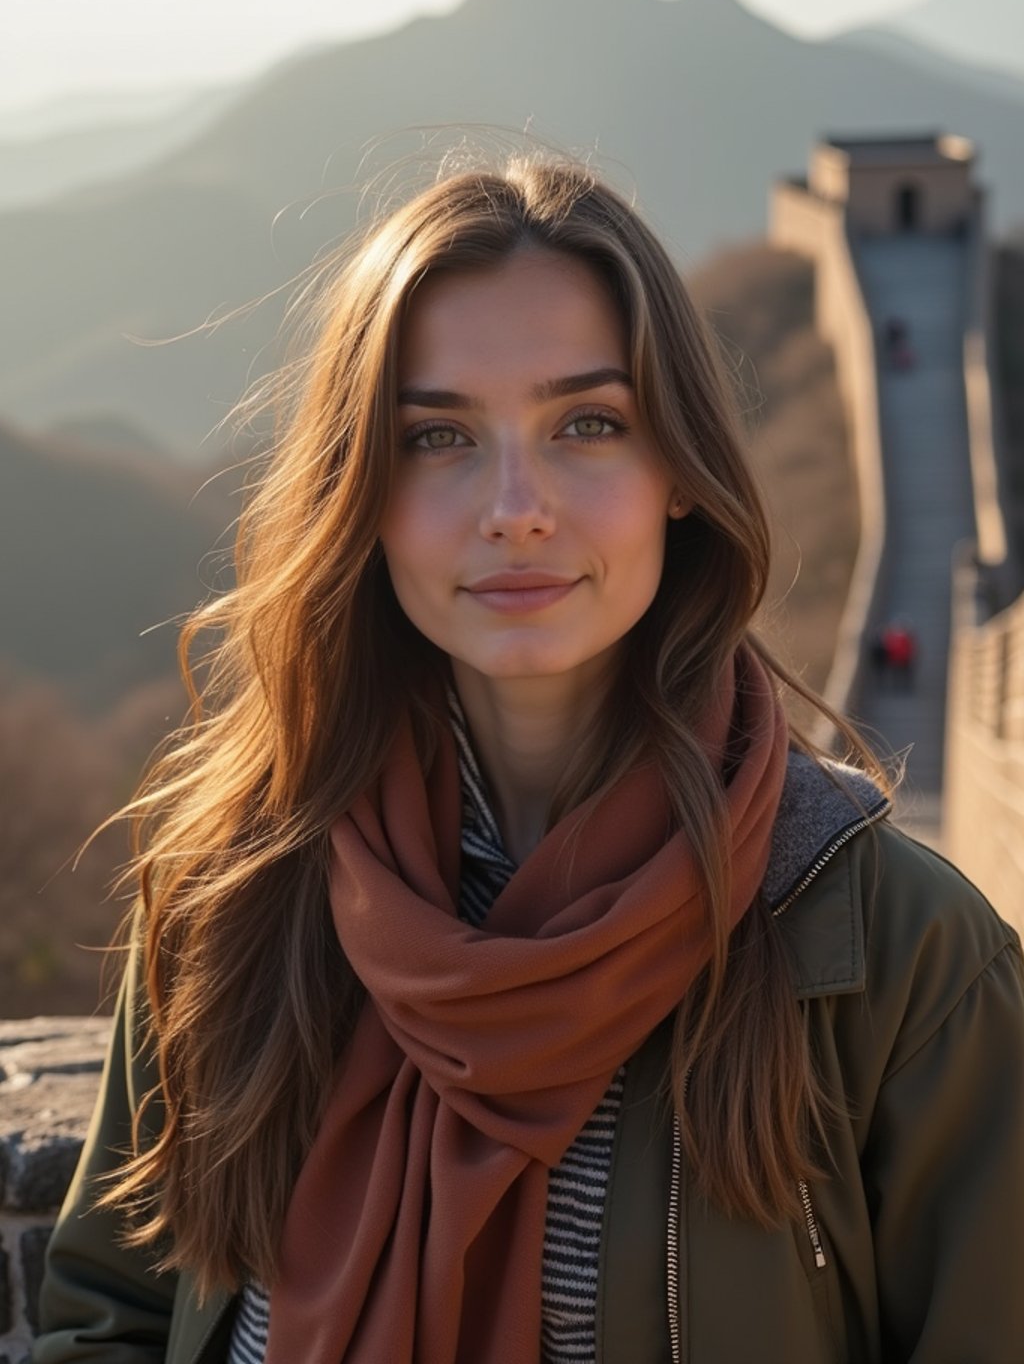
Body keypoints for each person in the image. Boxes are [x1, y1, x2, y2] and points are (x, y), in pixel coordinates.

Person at [34, 157, 1024, 1364]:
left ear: (679, 476)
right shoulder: (233, 903)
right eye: (438, 435)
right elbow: (113, 1316)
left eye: (588, 425)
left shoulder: (894, 961)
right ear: (365, 494)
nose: (516, 505)